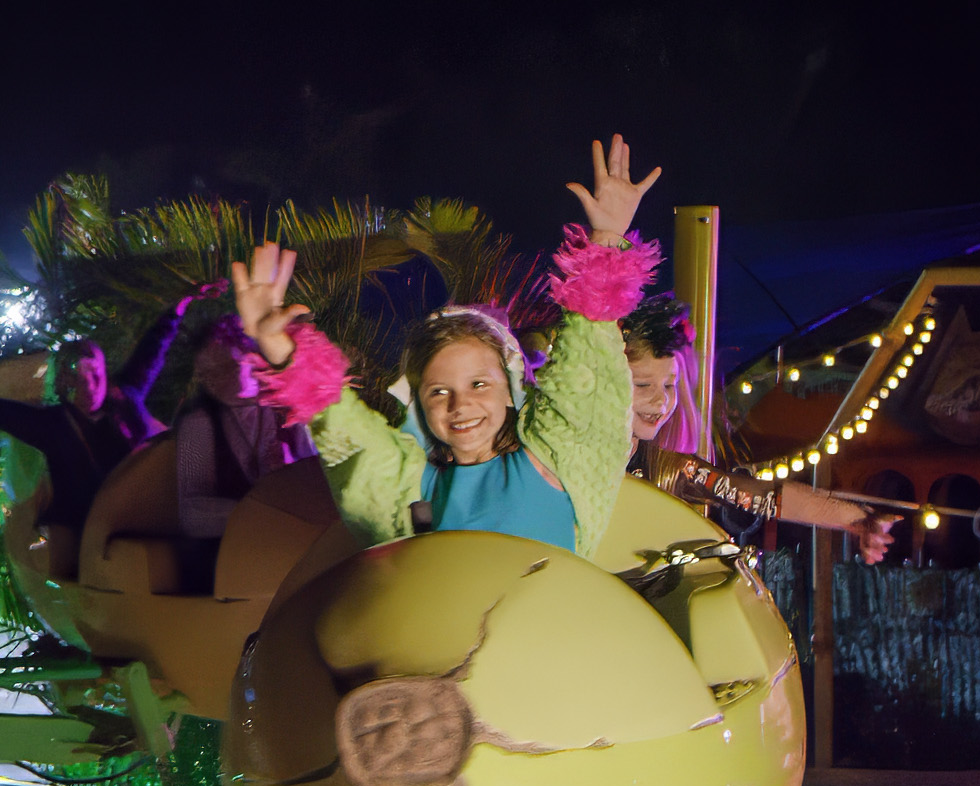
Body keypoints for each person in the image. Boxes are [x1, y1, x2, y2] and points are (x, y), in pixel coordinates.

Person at [239, 135, 664, 557]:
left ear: (511, 389)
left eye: (479, 384)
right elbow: (347, 433)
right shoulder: (411, 488)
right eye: (439, 391)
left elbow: (586, 366)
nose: (459, 404)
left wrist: (607, 237)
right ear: (418, 406)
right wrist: (283, 352)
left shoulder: (559, 460)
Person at [0, 284, 218, 529]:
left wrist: (182, 301)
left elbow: (154, 347)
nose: (90, 386)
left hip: (150, 510)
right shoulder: (54, 425)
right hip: (95, 527)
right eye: (78, 378)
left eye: (95, 375)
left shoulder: (126, 394)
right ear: (64, 385)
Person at [618, 295, 897, 561]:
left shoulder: (665, 469)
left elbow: (762, 495)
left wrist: (858, 520)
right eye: (642, 385)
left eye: (670, 385)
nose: (662, 400)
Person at [172, 316, 317, 539]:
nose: (212, 382)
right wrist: (263, 515)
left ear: (251, 359)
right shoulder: (198, 423)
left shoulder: (288, 409)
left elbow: (318, 476)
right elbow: (191, 515)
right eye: (205, 375)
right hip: (237, 550)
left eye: (221, 368)